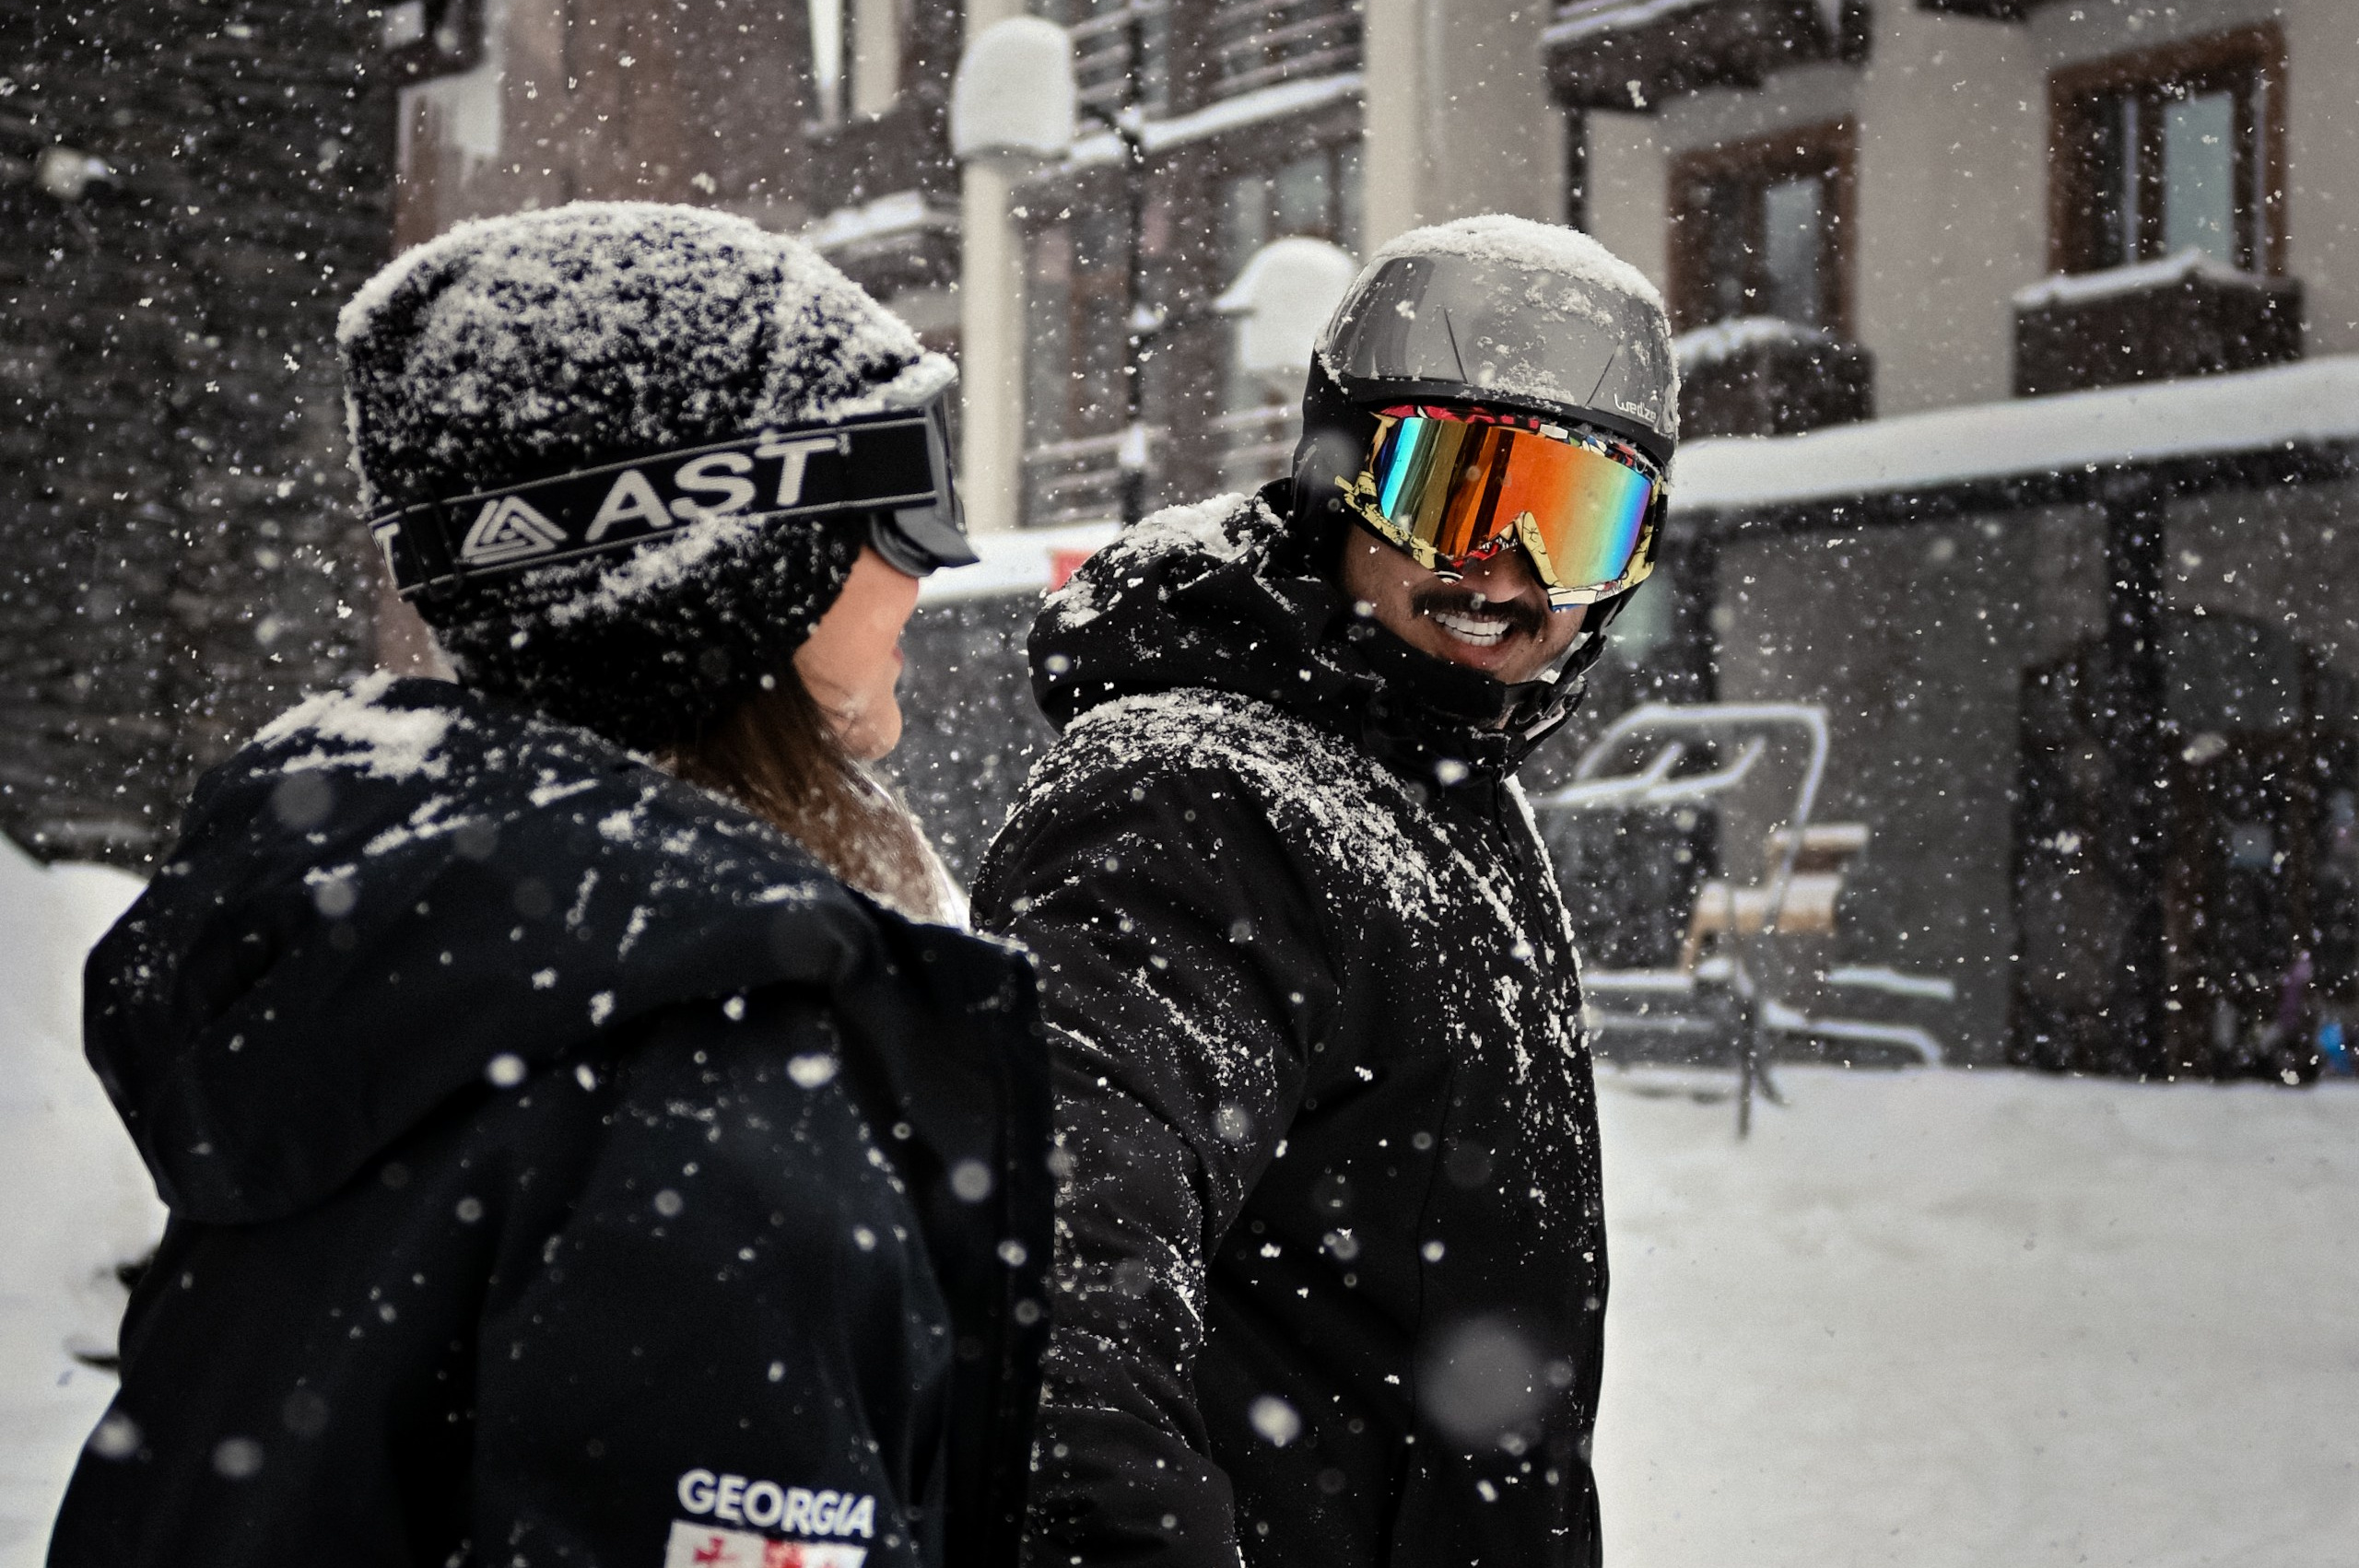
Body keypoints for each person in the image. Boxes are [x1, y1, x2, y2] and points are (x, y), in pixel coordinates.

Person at [49, 204, 1052, 1568]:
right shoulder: (698, 1053)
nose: (931, 567)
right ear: (717, 552)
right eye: (902, 497)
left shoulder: (411, 959)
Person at [972, 216, 1680, 1568]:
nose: (1507, 568)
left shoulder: (1451, 796)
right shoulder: (1192, 802)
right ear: (1337, 479)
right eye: (1455, 494)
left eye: (1581, 516)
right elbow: (1056, 1294)